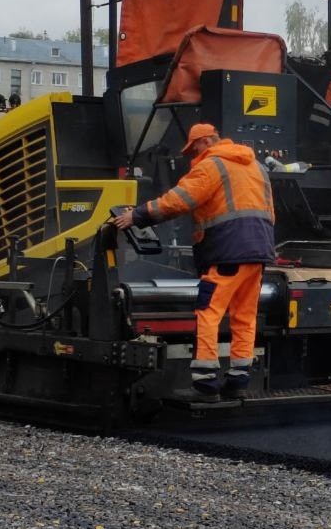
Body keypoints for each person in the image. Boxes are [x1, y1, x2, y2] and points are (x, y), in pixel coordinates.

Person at [113, 123, 275, 402]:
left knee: (208, 311)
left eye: (194, 147)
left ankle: (205, 383)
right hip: (258, 250)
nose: (192, 154)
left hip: (227, 252)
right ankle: (238, 380)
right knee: (244, 315)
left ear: (207, 141)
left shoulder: (212, 165)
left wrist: (137, 215)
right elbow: (269, 210)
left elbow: (179, 200)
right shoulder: (256, 166)